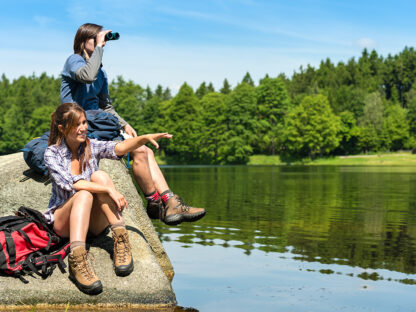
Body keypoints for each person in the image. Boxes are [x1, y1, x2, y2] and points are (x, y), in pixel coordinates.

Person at [60, 23, 205, 226]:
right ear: (83, 41)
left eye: (102, 40)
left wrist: (124, 124)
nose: (102, 43)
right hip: (79, 127)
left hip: (99, 125)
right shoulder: (73, 61)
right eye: (96, 39)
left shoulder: (101, 72)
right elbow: (87, 76)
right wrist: (100, 48)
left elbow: (106, 106)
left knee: (145, 150)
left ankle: (169, 201)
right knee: (139, 151)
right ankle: (154, 202)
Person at [44, 102, 181, 294]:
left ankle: (121, 239)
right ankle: (77, 259)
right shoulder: (52, 153)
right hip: (64, 223)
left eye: (84, 122)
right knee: (84, 192)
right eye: (77, 124)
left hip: (93, 224)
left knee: (100, 176)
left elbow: (118, 147)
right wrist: (108, 191)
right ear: (62, 128)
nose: (84, 128)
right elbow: (73, 184)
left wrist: (142, 139)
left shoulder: (90, 146)